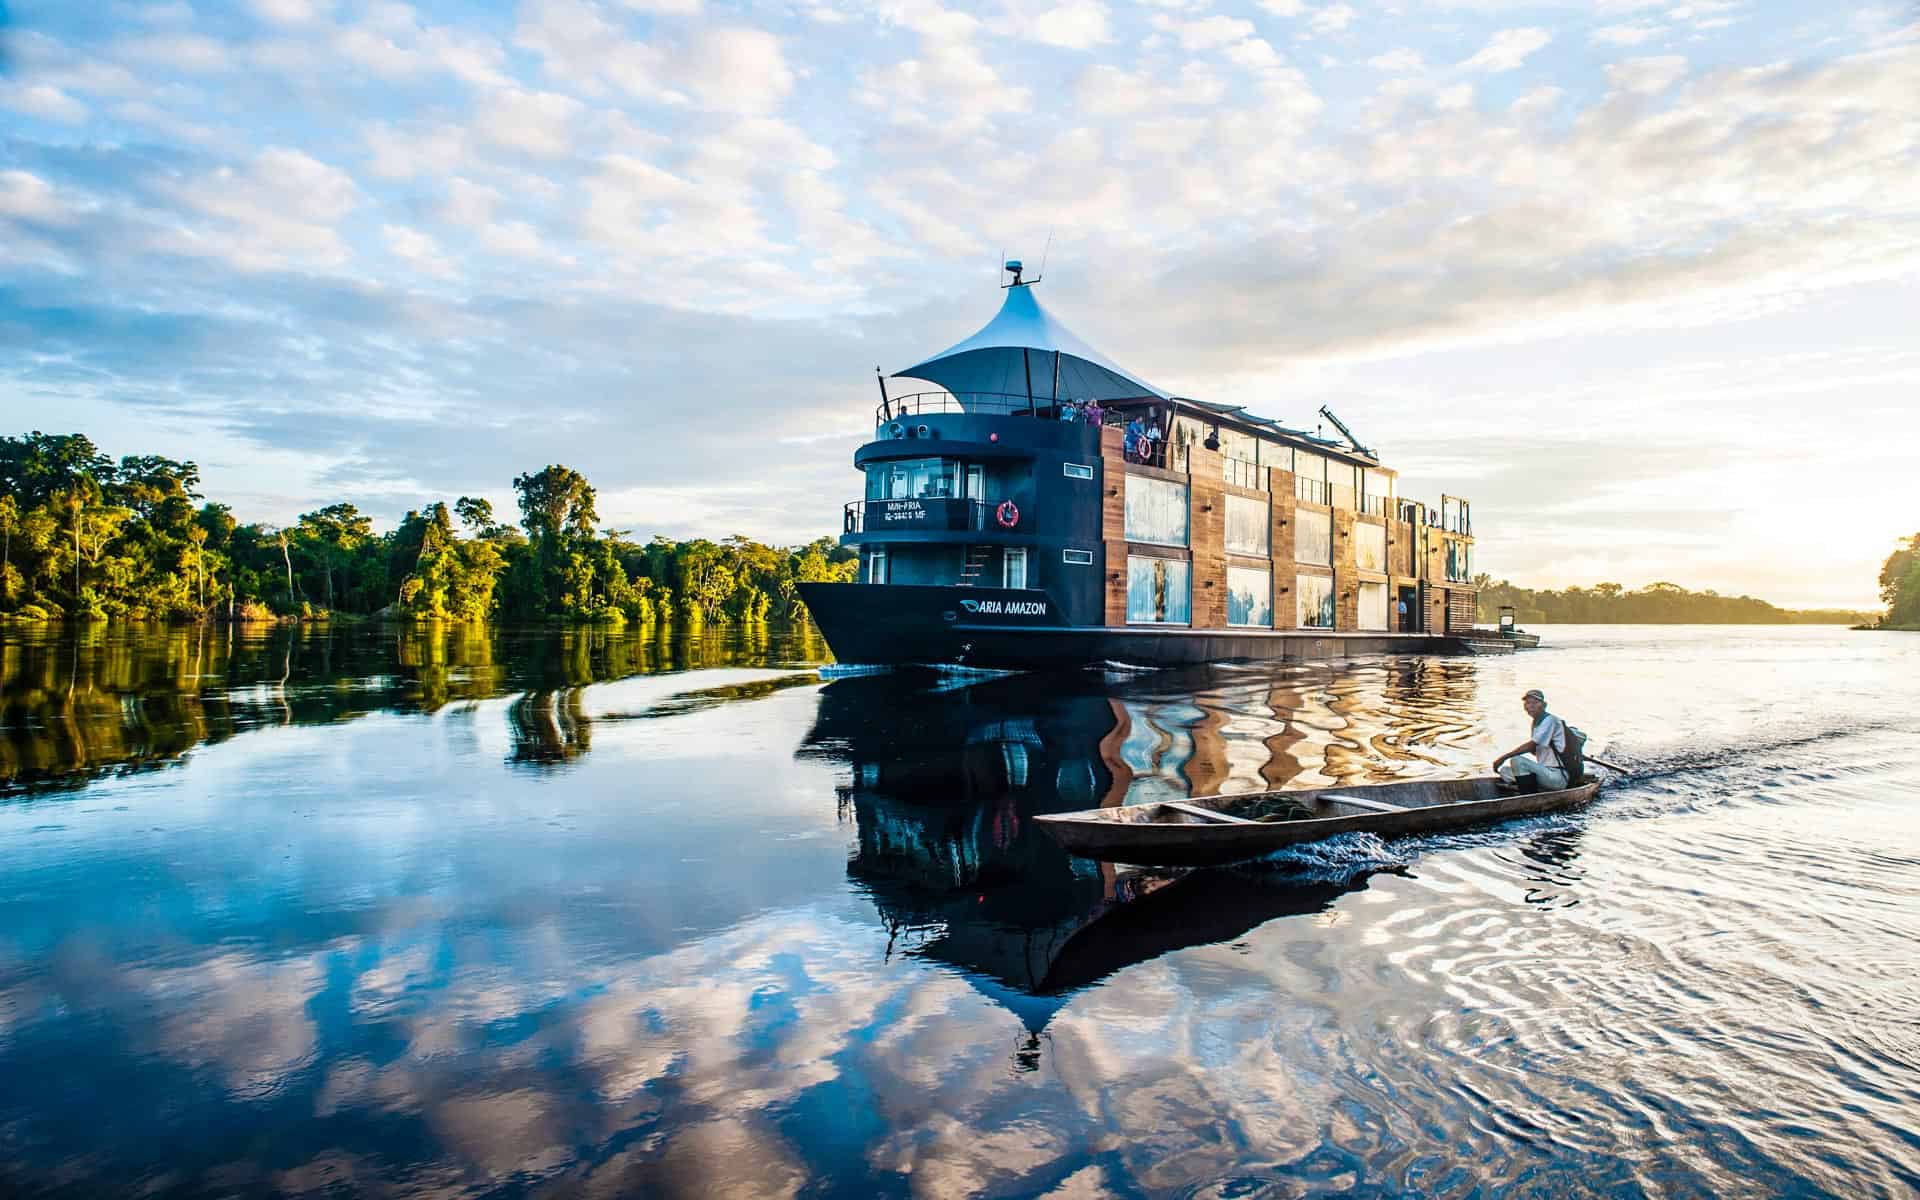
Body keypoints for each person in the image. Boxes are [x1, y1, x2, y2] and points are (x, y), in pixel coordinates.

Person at [1493, 688, 1567, 793]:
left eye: (1535, 702)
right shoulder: (1536, 723)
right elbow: (1534, 750)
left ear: (1544, 705)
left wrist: (1503, 758)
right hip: (1546, 773)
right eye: (1528, 703)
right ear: (1524, 707)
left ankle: (1528, 795)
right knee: (1505, 771)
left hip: (1557, 777)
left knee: (1517, 760)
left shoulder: (1550, 720)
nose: (1531, 706)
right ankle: (1531, 788)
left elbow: (1531, 746)